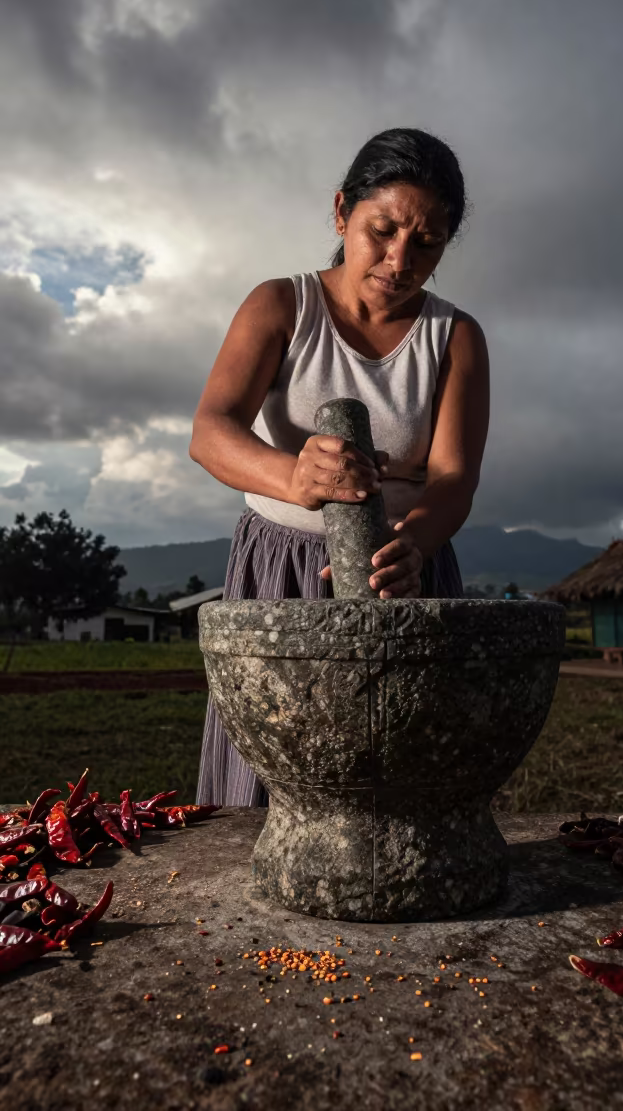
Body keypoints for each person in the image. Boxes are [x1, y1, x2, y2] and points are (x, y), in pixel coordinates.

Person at [190, 127, 490, 806]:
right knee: (275, 781)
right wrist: (294, 476)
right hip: (283, 574)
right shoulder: (281, 306)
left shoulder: (455, 338)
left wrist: (412, 545)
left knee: (402, 787)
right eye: (381, 230)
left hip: (405, 577)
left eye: (426, 242)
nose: (399, 258)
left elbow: (453, 479)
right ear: (340, 213)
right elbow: (211, 433)